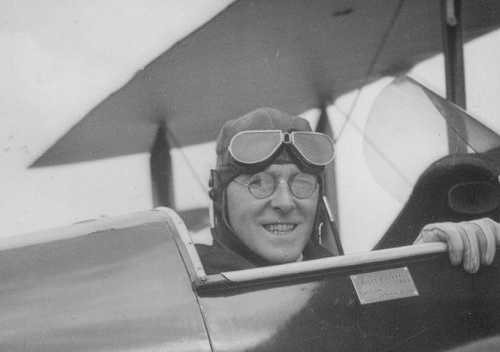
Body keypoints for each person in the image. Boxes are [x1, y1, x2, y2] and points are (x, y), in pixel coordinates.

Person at [196, 107, 500, 275]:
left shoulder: (339, 282)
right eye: (259, 182)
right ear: (221, 197)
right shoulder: (191, 291)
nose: (285, 202)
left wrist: (423, 260)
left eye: (301, 182)